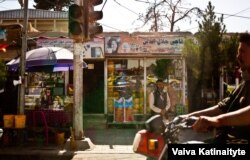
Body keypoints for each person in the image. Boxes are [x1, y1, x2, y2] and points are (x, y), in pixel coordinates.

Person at [183, 33, 250, 143]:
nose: (238, 56)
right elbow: (221, 108)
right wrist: (187, 117)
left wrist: (217, 121)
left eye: (242, 52)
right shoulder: (244, 85)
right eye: (238, 52)